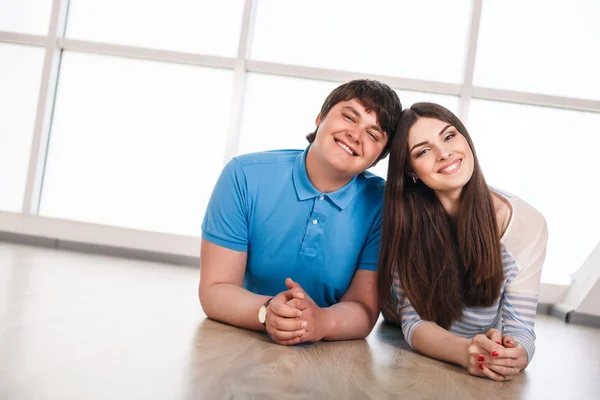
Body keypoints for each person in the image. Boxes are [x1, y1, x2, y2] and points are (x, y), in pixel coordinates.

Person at [199, 79, 403, 345]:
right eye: (349, 117)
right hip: (242, 337)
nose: (355, 135)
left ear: (379, 157)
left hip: (329, 353)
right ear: (320, 117)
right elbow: (215, 290)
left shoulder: (381, 205)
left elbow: (363, 308)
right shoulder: (244, 175)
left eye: (373, 135)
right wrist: (267, 311)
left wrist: (321, 322)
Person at [378, 102, 548, 381]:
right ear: (411, 171)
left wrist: (516, 353)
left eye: (449, 136)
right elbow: (414, 322)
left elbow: (521, 329)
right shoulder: (404, 219)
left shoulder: (526, 224)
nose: (444, 153)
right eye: (423, 150)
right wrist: (467, 352)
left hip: (479, 334)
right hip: (397, 322)